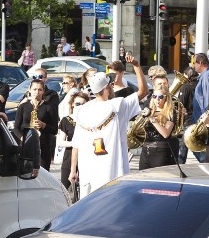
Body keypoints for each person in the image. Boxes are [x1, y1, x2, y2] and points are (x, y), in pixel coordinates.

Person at [69, 59, 149, 197]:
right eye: (110, 84)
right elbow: (143, 91)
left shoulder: (81, 111)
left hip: (89, 172)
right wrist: (136, 66)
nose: (112, 85)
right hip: (112, 172)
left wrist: (72, 170)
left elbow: (76, 144)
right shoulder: (118, 107)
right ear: (106, 88)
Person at [13, 79, 59, 170]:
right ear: (29, 90)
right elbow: (16, 129)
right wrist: (24, 139)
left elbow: (55, 130)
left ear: (43, 91)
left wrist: (44, 125)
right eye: (34, 89)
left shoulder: (49, 107)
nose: (37, 92)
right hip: (26, 146)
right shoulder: (23, 106)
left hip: (43, 147)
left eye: (40, 90)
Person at [138, 84, 180, 169]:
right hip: (146, 150)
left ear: (166, 98)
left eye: (160, 97)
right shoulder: (149, 110)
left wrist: (152, 119)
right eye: (154, 96)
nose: (157, 99)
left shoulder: (171, 112)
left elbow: (165, 133)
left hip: (160, 151)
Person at [57, 90, 89, 193]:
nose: (80, 106)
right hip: (69, 157)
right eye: (78, 104)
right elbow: (61, 142)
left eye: (84, 104)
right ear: (72, 105)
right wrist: (75, 143)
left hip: (85, 157)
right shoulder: (66, 120)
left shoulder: (90, 120)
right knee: (64, 190)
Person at [191, 53, 209, 161]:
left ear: (201, 63)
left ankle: (205, 163)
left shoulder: (207, 75)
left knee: (197, 147)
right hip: (204, 117)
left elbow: (207, 99)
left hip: (203, 118)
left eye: (195, 63)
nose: (194, 66)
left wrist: (204, 119)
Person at [175, 65, 198, 164]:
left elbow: (181, 104)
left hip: (187, 120)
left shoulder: (185, 87)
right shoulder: (198, 85)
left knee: (183, 148)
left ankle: (179, 166)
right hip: (196, 118)